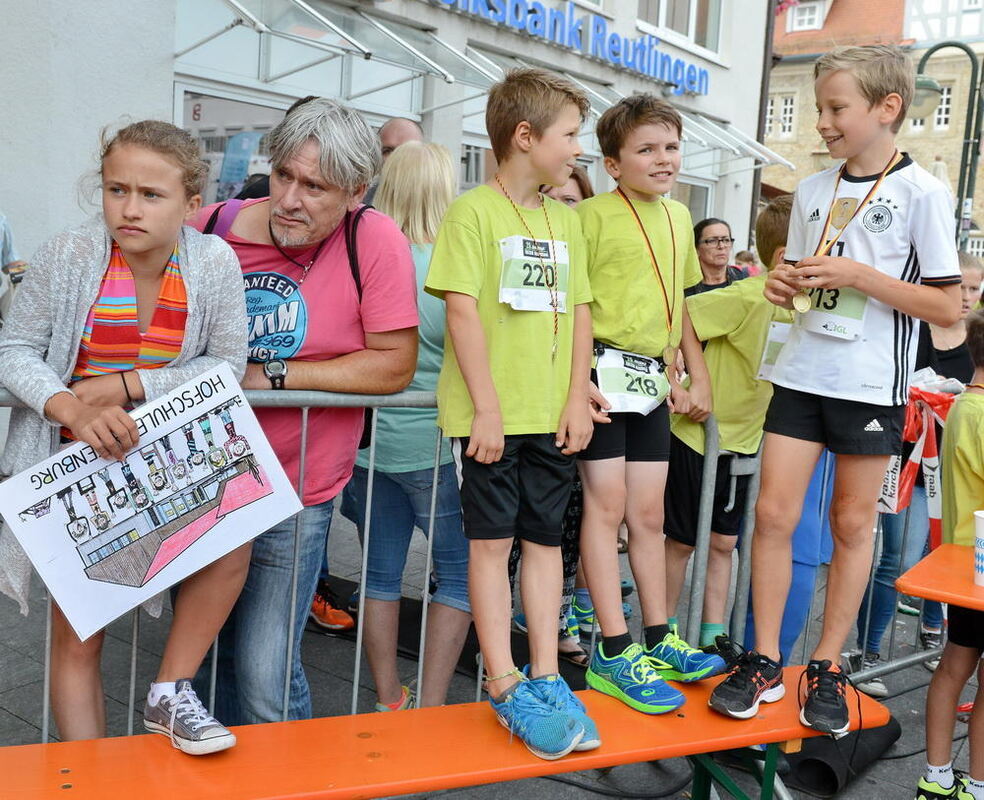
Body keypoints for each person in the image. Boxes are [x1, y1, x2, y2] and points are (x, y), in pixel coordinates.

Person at [710, 44, 962, 736]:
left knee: (853, 526)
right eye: (819, 107)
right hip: (801, 375)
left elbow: (946, 309)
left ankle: (827, 666)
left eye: (834, 108)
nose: (822, 122)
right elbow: (794, 287)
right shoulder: (815, 190)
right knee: (773, 517)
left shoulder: (922, 192)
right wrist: (781, 283)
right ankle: (763, 659)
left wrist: (858, 278)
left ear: (887, 110)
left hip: (869, 386)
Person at [0, 121, 248, 754]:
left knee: (232, 542)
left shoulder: (214, 260)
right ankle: (92, 781)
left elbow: (228, 364)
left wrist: (132, 385)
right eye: (117, 189)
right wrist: (69, 408)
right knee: (80, 633)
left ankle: (169, 691)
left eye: (151, 194)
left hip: (163, 462)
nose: (129, 208)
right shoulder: (70, 253)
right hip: (73, 471)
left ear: (193, 204)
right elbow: (13, 348)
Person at [196, 98, 419, 725]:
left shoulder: (373, 237)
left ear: (354, 191)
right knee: (204, 661)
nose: (288, 199)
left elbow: (393, 364)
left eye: (313, 186)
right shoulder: (212, 225)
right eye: (284, 175)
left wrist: (267, 375)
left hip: (298, 484)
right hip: (202, 479)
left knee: (266, 668)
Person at [425, 68, 599, 760]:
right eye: (569, 136)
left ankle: (547, 674)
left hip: (551, 415)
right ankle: (502, 679)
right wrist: (487, 409)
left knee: (546, 545)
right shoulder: (473, 212)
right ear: (525, 137)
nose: (577, 149)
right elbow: (462, 312)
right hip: (490, 420)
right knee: (491, 546)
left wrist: (576, 394)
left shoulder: (565, 218)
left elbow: (581, 311)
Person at [574, 94, 723, 717]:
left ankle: (658, 638)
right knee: (605, 512)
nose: (663, 160)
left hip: (652, 383)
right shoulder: (592, 217)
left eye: (671, 147)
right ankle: (611, 646)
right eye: (646, 150)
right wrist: (574, 378)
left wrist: (697, 371)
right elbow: (577, 303)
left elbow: (681, 302)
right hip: (604, 376)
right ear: (613, 163)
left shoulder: (678, 216)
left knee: (649, 516)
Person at [339, 141, 471, 711]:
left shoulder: (364, 258)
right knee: (461, 576)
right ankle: (434, 704)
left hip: (368, 445)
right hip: (434, 447)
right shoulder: (453, 263)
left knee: (380, 576)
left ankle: (389, 697)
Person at [664, 195, 794, 657]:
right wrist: (691, 383)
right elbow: (681, 320)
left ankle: (711, 633)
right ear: (785, 257)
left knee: (723, 542)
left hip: (748, 442)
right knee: (681, 542)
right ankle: (663, 633)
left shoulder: (813, 307)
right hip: (700, 437)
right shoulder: (745, 295)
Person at [850, 252, 984, 696]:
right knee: (900, 558)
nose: (965, 297)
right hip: (909, 462)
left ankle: (934, 636)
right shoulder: (915, 327)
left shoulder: (976, 337)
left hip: (961, 470)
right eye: (959, 286)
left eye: (973, 288)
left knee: (948, 558)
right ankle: (866, 651)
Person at [915, 309, 984, 800]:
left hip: (968, 561)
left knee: (958, 666)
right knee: (958, 667)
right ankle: (947, 777)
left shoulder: (966, 405)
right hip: (976, 564)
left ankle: (952, 778)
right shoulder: (978, 413)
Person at [690, 218, 747, 294]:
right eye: (712, 241)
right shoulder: (687, 285)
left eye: (726, 240)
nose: (721, 246)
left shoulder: (742, 279)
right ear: (696, 248)